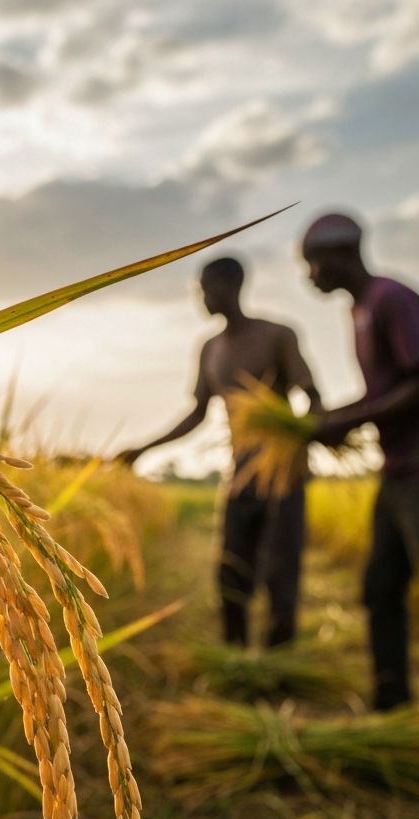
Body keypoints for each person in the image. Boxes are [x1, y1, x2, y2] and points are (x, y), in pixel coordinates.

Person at [119, 256, 322, 647]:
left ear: (231, 286)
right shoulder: (210, 348)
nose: (201, 297)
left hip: (282, 477)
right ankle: (236, 655)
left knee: (281, 573)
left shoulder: (277, 335)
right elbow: (197, 413)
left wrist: (299, 445)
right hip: (240, 477)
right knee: (231, 573)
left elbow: (312, 396)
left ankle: (279, 661)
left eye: (205, 288)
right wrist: (145, 448)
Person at [303, 212, 419, 710]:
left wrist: (348, 422)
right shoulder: (359, 311)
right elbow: (382, 393)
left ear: (342, 254)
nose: (310, 276)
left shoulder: (391, 299)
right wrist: (333, 418)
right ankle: (391, 703)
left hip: (417, 472)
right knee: (380, 588)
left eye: (313, 263)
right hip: (395, 472)